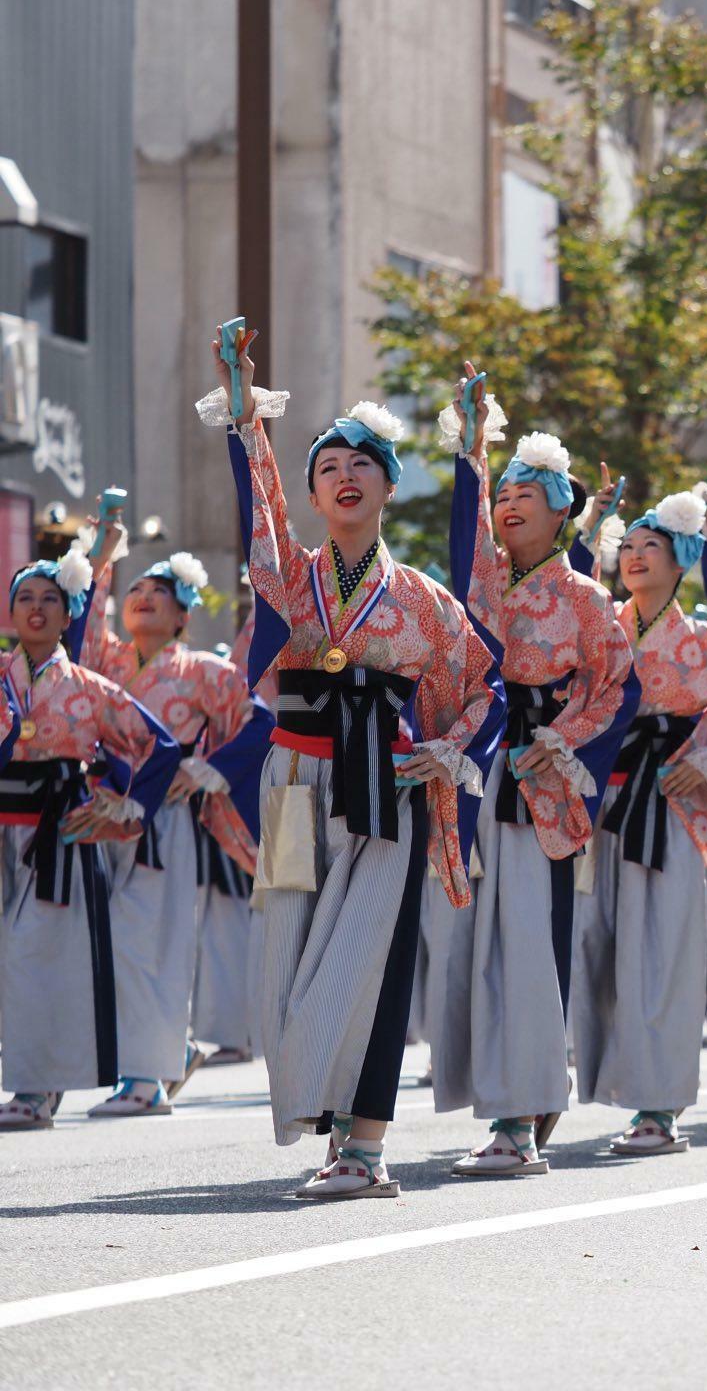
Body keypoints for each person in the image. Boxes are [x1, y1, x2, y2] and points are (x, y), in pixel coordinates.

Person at [207, 326, 500, 1198]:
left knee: (368, 959)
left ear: (385, 486)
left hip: (384, 785)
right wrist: (244, 407)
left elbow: (484, 690)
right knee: (292, 960)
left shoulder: (425, 601)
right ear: (311, 490)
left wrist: (448, 750)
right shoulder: (287, 577)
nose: (343, 474)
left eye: (361, 464)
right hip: (293, 782)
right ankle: (332, 1129)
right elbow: (256, 501)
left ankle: (365, 1149)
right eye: (327, 465)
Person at [426, 374, 638, 1176]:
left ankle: (521, 1114)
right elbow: (464, 529)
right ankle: (514, 1099)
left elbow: (622, 688)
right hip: (478, 766)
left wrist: (568, 739)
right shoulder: (482, 580)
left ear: (563, 514)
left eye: (530, 494)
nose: (510, 504)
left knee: (529, 944)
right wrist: (474, 444)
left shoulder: (586, 597)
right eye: (504, 493)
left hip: (539, 778)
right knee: (473, 944)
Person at [572, 483, 707, 1154]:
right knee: (595, 946)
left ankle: (658, 1104)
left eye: (651, 546)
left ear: (681, 559)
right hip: (602, 802)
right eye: (627, 546)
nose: (634, 556)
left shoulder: (706, 641)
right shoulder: (602, 626)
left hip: (668, 805)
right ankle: (596, 1087)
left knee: (663, 951)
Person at [74, 525, 272, 1098]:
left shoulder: (202, 672)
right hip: (106, 809)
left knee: (151, 943)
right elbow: (83, 635)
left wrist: (206, 767)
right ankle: (167, 1051)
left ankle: (147, 1076)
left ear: (183, 617)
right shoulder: (109, 661)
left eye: (158, 593)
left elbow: (258, 720)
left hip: (164, 815)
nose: (142, 598)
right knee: (112, 942)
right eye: (134, 591)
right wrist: (102, 562)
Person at [0, 550, 179, 1131]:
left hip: (58, 836)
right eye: (26, 597)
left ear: (68, 611)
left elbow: (161, 748)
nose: (36, 608)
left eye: (51, 598)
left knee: (37, 961)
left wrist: (125, 810)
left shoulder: (89, 687)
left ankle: (34, 1089)